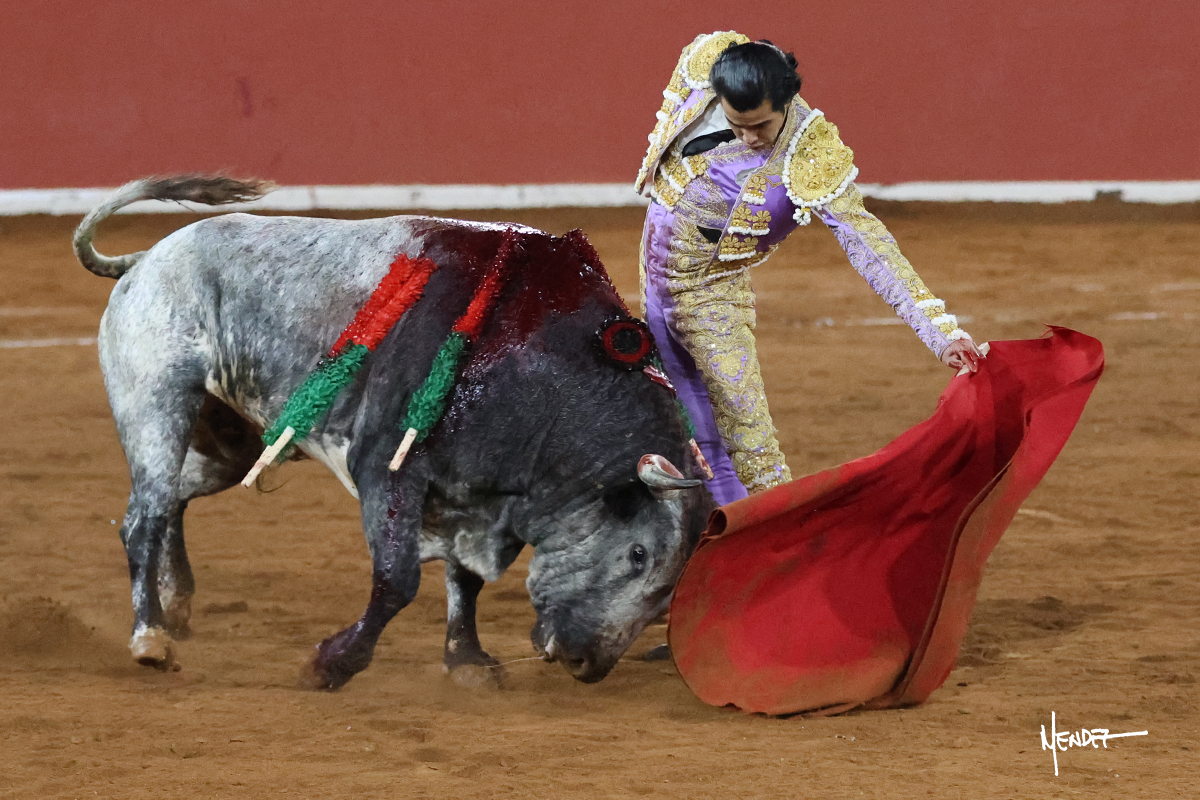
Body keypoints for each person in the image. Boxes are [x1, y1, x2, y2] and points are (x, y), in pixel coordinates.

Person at [636, 31, 983, 506]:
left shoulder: (811, 153)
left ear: (786, 102)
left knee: (750, 443)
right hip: (652, 281)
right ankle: (694, 536)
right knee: (679, 415)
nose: (748, 137)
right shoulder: (705, 62)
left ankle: (780, 542)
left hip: (711, 297)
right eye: (737, 124)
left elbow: (868, 244)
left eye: (761, 125)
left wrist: (941, 333)